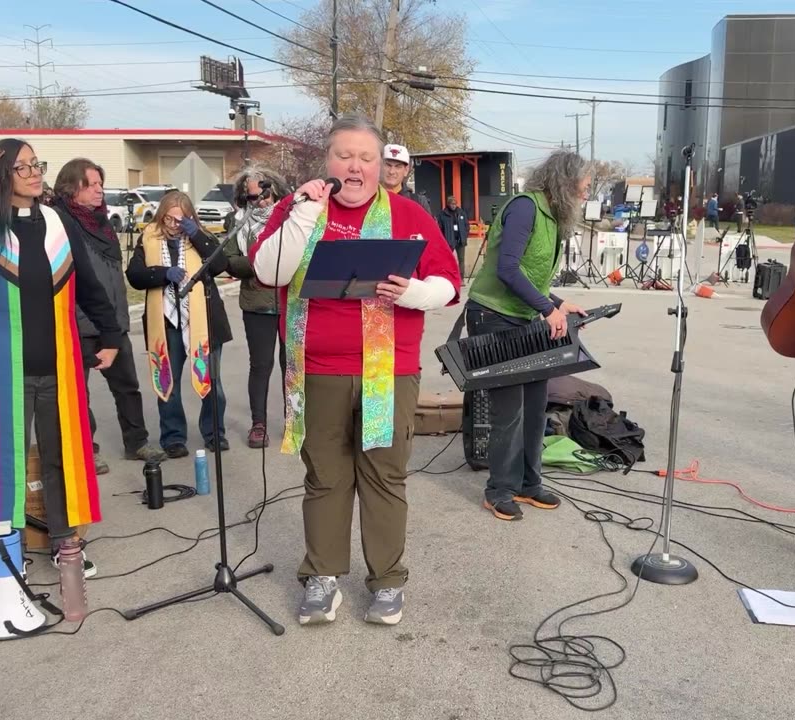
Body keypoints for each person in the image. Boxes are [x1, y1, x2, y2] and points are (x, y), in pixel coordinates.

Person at [250, 113, 461, 627]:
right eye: (344, 155)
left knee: (384, 477)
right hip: (317, 370)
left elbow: (449, 283)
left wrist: (411, 292)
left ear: (382, 164)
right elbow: (266, 271)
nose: (355, 166)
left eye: (367, 158)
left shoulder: (409, 215)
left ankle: (387, 581)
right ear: (327, 161)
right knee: (325, 477)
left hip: (386, 372)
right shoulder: (298, 207)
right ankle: (323, 576)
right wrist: (302, 214)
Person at [0, 138, 122, 577]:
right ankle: (7, 553)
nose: (35, 173)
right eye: (24, 167)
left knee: (61, 456)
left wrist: (111, 334)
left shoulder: (57, 223)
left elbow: (89, 285)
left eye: (37, 165)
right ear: (1, 176)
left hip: (60, 367)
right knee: (9, 459)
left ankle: (65, 542)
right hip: (2, 369)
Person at [465, 149, 590, 521]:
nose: (586, 194)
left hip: (524, 315)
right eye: (583, 187)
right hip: (494, 315)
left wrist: (557, 302)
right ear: (564, 183)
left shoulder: (552, 215)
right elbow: (507, 269)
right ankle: (499, 489)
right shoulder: (525, 207)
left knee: (536, 406)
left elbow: (531, 276)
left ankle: (528, 483)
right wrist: (547, 309)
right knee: (509, 411)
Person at [52, 158, 166, 468]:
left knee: (127, 386)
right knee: (79, 394)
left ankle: (137, 442)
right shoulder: (58, 222)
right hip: (79, 323)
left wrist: (116, 321)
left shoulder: (102, 222)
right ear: (72, 187)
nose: (99, 190)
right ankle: (87, 450)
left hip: (113, 323)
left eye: (100, 184)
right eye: (91, 184)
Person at [125, 190, 232, 457]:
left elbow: (220, 264)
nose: (174, 225)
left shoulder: (202, 236)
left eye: (180, 220)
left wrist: (194, 234)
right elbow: (135, 275)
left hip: (204, 320)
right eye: (169, 219)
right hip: (166, 321)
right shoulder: (148, 237)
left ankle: (214, 433)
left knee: (211, 380)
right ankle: (173, 437)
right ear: (161, 216)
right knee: (167, 380)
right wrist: (163, 274)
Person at [224, 165, 290, 449]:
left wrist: (268, 262)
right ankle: (258, 424)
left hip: (291, 302)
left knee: (293, 366)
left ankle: (294, 422)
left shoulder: (290, 218)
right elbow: (230, 261)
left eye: (265, 193)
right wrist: (264, 262)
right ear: (244, 199)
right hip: (257, 304)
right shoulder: (237, 222)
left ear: (274, 190)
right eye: (253, 197)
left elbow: (299, 254)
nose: (261, 201)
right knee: (261, 366)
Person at [381, 143, 432, 214]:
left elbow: (430, 225)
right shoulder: (368, 199)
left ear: (406, 170)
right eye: (388, 165)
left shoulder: (419, 202)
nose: (391, 171)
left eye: (398, 166)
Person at [437, 195, 470, 278]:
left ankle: (461, 278)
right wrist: (443, 239)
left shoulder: (461, 212)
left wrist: (464, 235)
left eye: (455, 204)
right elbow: (440, 228)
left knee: (461, 260)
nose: (453, 205)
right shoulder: (443, 214)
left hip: (460, 239)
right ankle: (448, 276)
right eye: (452, 204)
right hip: (449, 240)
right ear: (448, 204)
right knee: (447, 259)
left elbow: (467, 225)